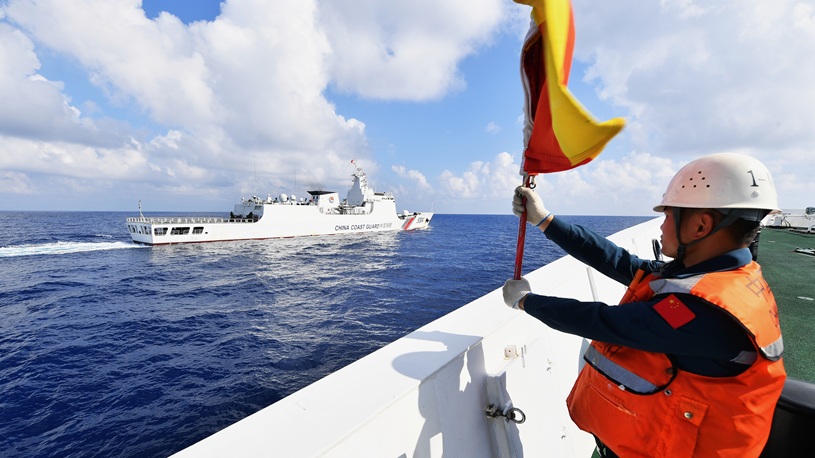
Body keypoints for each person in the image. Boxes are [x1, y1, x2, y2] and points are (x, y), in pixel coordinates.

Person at [502, 153, 786, 458]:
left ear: (701, 226)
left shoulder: (710, 312)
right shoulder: (719, 276)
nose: (662, 225)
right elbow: (620, 262)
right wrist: (544, 220)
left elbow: (607, 322)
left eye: (669, 215)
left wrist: (526, 302)